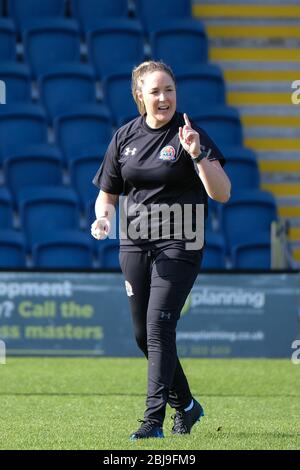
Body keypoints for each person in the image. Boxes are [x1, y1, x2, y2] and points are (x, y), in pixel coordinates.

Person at [91, 61, 231, 440]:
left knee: (159, 326)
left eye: (169, 89)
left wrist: (198, 155)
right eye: (155, 91)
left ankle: (153, 421)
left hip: (181, 242)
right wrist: (103, 219)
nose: (164, 97)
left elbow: (222, 193)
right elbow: (107, 195)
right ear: (140, 96)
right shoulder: (124, 136)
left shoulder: (190, 133)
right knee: (143, 335)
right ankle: (186, 404)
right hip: (134, 243)